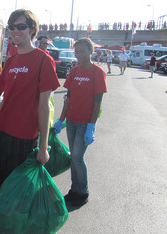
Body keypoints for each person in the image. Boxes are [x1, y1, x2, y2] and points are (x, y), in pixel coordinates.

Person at [0, 9, 60, 188]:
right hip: (3, 134)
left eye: (21, 26)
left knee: (17, 193)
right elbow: (6, 101)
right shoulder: (11, 62)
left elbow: (45, 107)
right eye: (11, 27)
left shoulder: (43, 60)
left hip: (24, 138)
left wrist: (43, 148)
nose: (15, 31)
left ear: (32, 30)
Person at [53, 38, 107, 207]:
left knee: (77, 156)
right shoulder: (74, 72)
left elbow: (97, 103)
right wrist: (60, 120)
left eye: (83, 51)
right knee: (73, 158)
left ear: (91, 52)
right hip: (71, 121)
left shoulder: (97, 72)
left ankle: (83, 191)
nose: (79, 55)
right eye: (77, 52)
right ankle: (74, 190)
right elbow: (67, 99)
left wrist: (92, 126)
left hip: (85, 123)